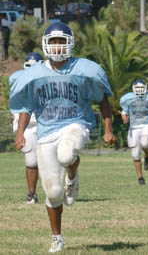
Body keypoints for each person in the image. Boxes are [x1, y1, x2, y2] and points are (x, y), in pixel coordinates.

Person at [9, 22, 116, 253]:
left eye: (61, 41)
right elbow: (26, 106)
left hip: (76, 124)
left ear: (70, 43)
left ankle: (72, 174)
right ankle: (56, 237)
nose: (57, 47)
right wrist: (20, 134)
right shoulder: (35, 74)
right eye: (53, 42)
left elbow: (103, 99)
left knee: (67, 153)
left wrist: (108, 129)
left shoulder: (84, 70)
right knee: (54, 193)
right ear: (45, 44)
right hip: (46, 131)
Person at [9, 52, 44, 204]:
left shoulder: (48, 78)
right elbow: (16, 100)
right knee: (30, 161)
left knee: (54, 158)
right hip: (28, 124)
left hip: (47, 121)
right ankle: (32, 193)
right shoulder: (18, 78)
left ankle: (56, 189)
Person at [120, 79, 148, 185]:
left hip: (147, 124)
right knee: (135, 153)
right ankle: (140, 178)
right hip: (134, 126)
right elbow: (124, 111)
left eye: (141, 88)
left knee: (145, 143)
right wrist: (124, 118)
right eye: (137, 88)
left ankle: (147, 156)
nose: (139, 91)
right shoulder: (127, 98)